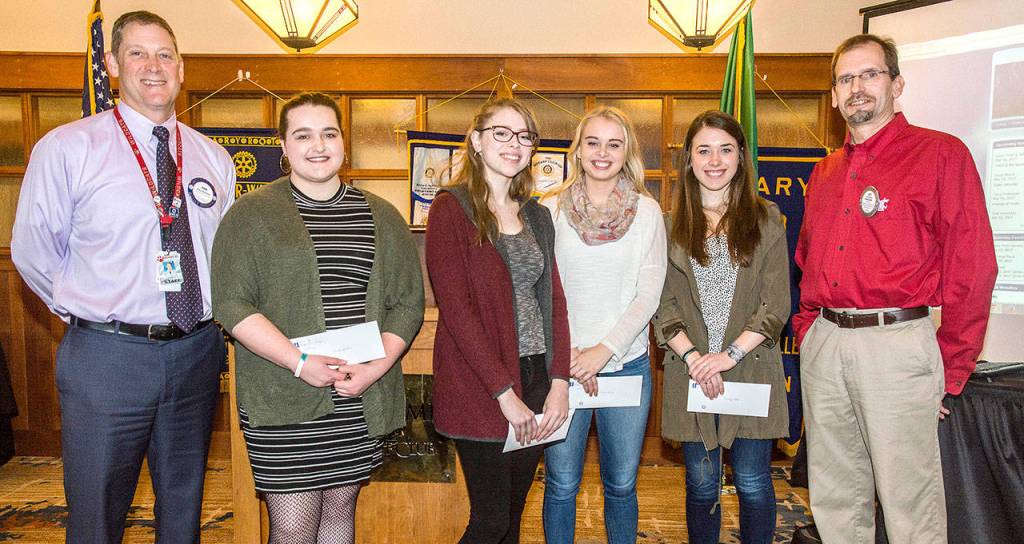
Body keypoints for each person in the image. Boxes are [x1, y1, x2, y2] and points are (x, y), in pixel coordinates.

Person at [9, 11, 235, 543]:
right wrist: (88, 316)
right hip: (107, 360)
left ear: (181, 68)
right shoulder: (68, 148)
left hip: (196, 353)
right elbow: (32, 250)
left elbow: (223, 254)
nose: (153, 66)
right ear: (111, 64)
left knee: (184, 509)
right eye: (138, 53)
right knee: (97, 516)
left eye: (164, 55)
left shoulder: (213, 157)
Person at [793, 34, 997, 543]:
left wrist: (951, 365)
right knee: (835, 497)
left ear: (896, 83)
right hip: (826, 344)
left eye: (870, 74)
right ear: (834, 95)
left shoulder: (941, 154)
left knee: (910, 503)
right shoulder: (824, 172)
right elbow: (806, 262)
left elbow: (972, 268)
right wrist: (808, 332)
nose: (857, 87)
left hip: (897, 345)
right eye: (845, 79)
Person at [211, 92, 424, 543]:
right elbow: (232, 304)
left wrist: (373, 370)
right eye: (302, 135)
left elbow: (407, 304)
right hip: (281, 393)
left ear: (344, 143)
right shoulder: (249, 215)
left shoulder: (382, 216)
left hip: (357, 393)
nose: (318, 145)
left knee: (339, 513)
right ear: (283, 147)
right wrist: (298, 362)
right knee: (292, 527)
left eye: (329, 133)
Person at [425, 98, 571, 543]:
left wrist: (560, 381)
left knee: (512, 515)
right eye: (501, 133)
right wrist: (503, 392)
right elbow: (457, 311)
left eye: (524, 136)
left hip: (535, 375)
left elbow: (555, 302)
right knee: (489, 521)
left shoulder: (538, 216)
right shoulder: (451, 209)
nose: (514, 144)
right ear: (476, 141)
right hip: (481, 383)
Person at [653, 110, 791, 544]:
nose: (715, 160)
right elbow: (664, 305)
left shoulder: (766, 218)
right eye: (704, 150)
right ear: (690, 161)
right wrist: (697, 359)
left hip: (749, 368)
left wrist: (727, 356)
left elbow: (776, 304)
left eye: (726, 149)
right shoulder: (669, 223)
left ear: (741, 157)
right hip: (691, 372)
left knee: (752, 483)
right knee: (700, 485)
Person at [539, 105, 666, 544]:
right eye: (593, 142)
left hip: (626, 366)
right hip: (564, 368)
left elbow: (648, 294)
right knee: (560, 485)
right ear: (578, 149)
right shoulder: (548, 209)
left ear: (626, 151)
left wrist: (603, 351)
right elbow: (542, 291)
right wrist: (573, 355)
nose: (602, 152)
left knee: (622, 485)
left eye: (614, 144)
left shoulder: (648, 213)